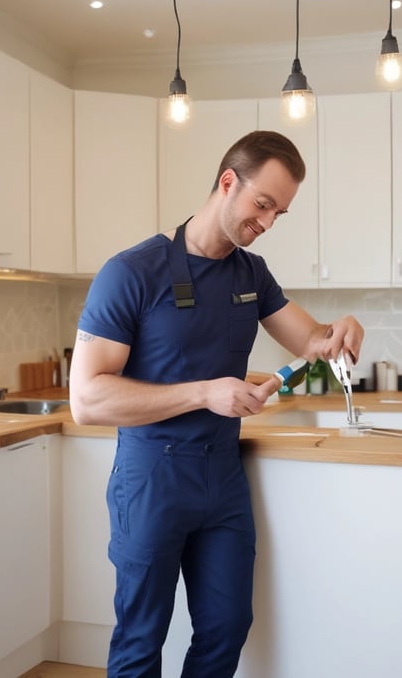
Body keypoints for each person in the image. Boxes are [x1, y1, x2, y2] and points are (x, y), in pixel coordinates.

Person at [69, 130, 364, 678]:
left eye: (279, 213)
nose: (268, 222)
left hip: (223, 478)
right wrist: (206, 392)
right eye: (263, 204)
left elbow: (311, 341)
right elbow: (86, 399)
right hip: (152, 476)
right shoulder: (131, 272)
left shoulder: (251, 273)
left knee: (227, 627)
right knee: (141, 638)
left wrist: (340, 328)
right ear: (228, 182)